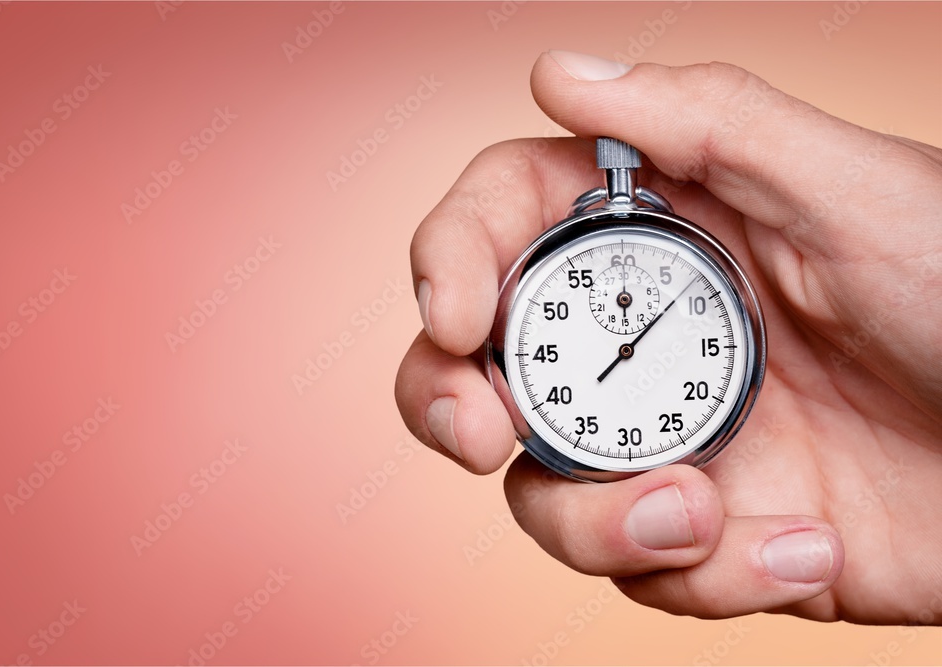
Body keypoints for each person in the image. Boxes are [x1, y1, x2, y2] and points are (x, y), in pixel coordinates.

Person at [395, 51, 942, 624]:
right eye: (621, 344)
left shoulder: (715, 283)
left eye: (634, 342)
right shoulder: (549, 285)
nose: (625, 346)